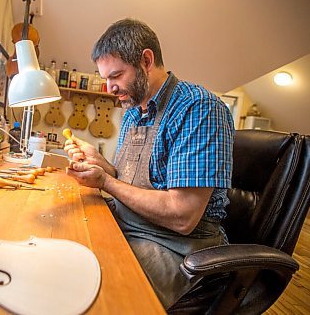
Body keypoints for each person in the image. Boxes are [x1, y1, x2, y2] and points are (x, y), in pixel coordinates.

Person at [64, 18, 234, 309]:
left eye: (116, 75)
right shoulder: (133, 110)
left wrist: (105, 182)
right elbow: (133, 181)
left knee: (97, 298)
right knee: (66, 254)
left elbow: (183, 216)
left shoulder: (198, 109)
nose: (110, 88)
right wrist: (101, 163)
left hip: (177, 247)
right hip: (129, 225)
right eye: (106, 78)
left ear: (146, 60)